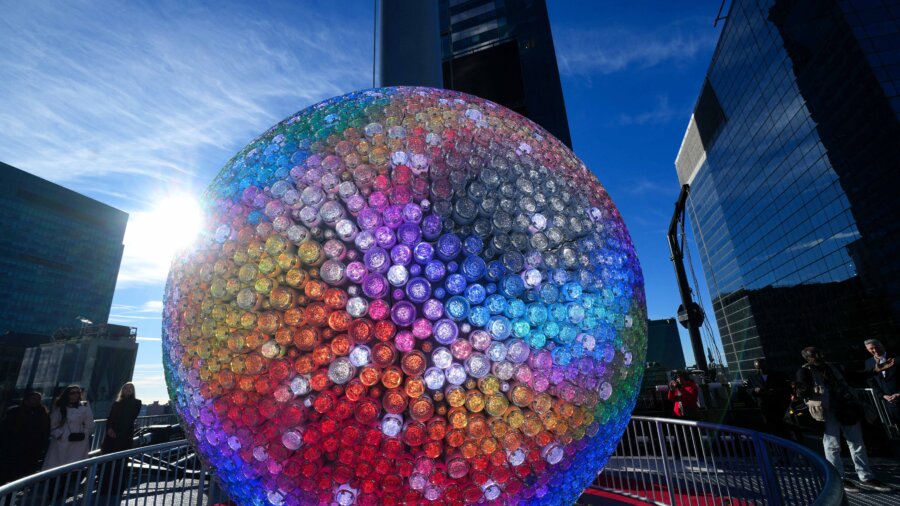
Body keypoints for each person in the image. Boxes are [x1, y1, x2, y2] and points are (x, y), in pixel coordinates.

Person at [795, 347, 889, 493]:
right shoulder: (805, 371)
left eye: (819, 353)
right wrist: (801, 390)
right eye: (814, 355)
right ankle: (839, 478)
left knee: (857, 442)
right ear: (807, 358)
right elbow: (802, 391)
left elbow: (854, 376)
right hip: (826, 412)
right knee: (832, 446)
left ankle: (866, 477)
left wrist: (874, 370)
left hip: (846, 408)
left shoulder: (834, 367)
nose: (819, 356)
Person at [0, 391, 50, 484]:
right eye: (34, 399)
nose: (36, 401)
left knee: (24, 473)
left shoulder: (43, 414)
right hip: (13, 447)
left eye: (39, 399)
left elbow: (45, 431)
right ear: (27, 400)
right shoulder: (14, 411)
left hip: (32, 448)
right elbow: (5, 429)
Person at [42, 385, 95, 471]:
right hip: (63, 439)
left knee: (75, 465)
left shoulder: (85, 405)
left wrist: (85, 433)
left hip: (79, 439)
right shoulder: (60, 407)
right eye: (73, 393)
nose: (76, 395)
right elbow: (52, 424)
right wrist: (60, 434)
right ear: (67, 395)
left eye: (78, 392)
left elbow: (90, 421)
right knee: (58, 464)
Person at [746, 359, 794, 440]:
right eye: (758, 368)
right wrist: (755, 390)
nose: (761, 370)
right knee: (770, 425)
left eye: (762, 367)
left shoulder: (778, 374)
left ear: (765, 365)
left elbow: (786, 387)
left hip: (779, 404)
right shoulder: (752, 377)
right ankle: (775, 441)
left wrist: (775, 391)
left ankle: (787, 440)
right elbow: (748, 389)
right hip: (764, 405)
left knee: (783, 424)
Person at [863, 338, 898, 423]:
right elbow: (872, 383)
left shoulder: (896, 357)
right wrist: (883, 395)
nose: (875, 350)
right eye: (871, 349)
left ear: (882, 345)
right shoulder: (868, 363)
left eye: (877, 347)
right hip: (889, 404)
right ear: (867, 350)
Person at [101, 382, 141, 454]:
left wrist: (118, 434)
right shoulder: (117, 403)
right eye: (126, 387)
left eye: (130, 388)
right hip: (111, 433)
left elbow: (130, 418)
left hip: (125, 434)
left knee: (121, 456)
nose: (128, 389)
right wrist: (109, 429)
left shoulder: (137, 402)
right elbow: (110, 417)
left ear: (133, 390)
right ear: (122, 390)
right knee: (107, 454)